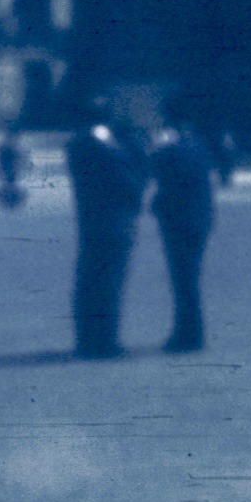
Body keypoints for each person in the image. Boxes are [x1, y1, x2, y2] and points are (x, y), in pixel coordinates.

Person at [65, 90, 149, 359]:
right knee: (102, 282)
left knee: (103, 281)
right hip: (106, 220)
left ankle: (98, 337)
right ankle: (98, 340)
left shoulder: (96, 141)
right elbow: (124, 179)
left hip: (108, 220)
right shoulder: (90, 143)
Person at [149, 98, 216, 354]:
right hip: (199, 218)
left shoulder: (172, 145)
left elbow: (164, 176)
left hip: (180, 221)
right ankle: (190, 331)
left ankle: (188, 334)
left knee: (183, 280)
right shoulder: (197, 141)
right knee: (188, 279)